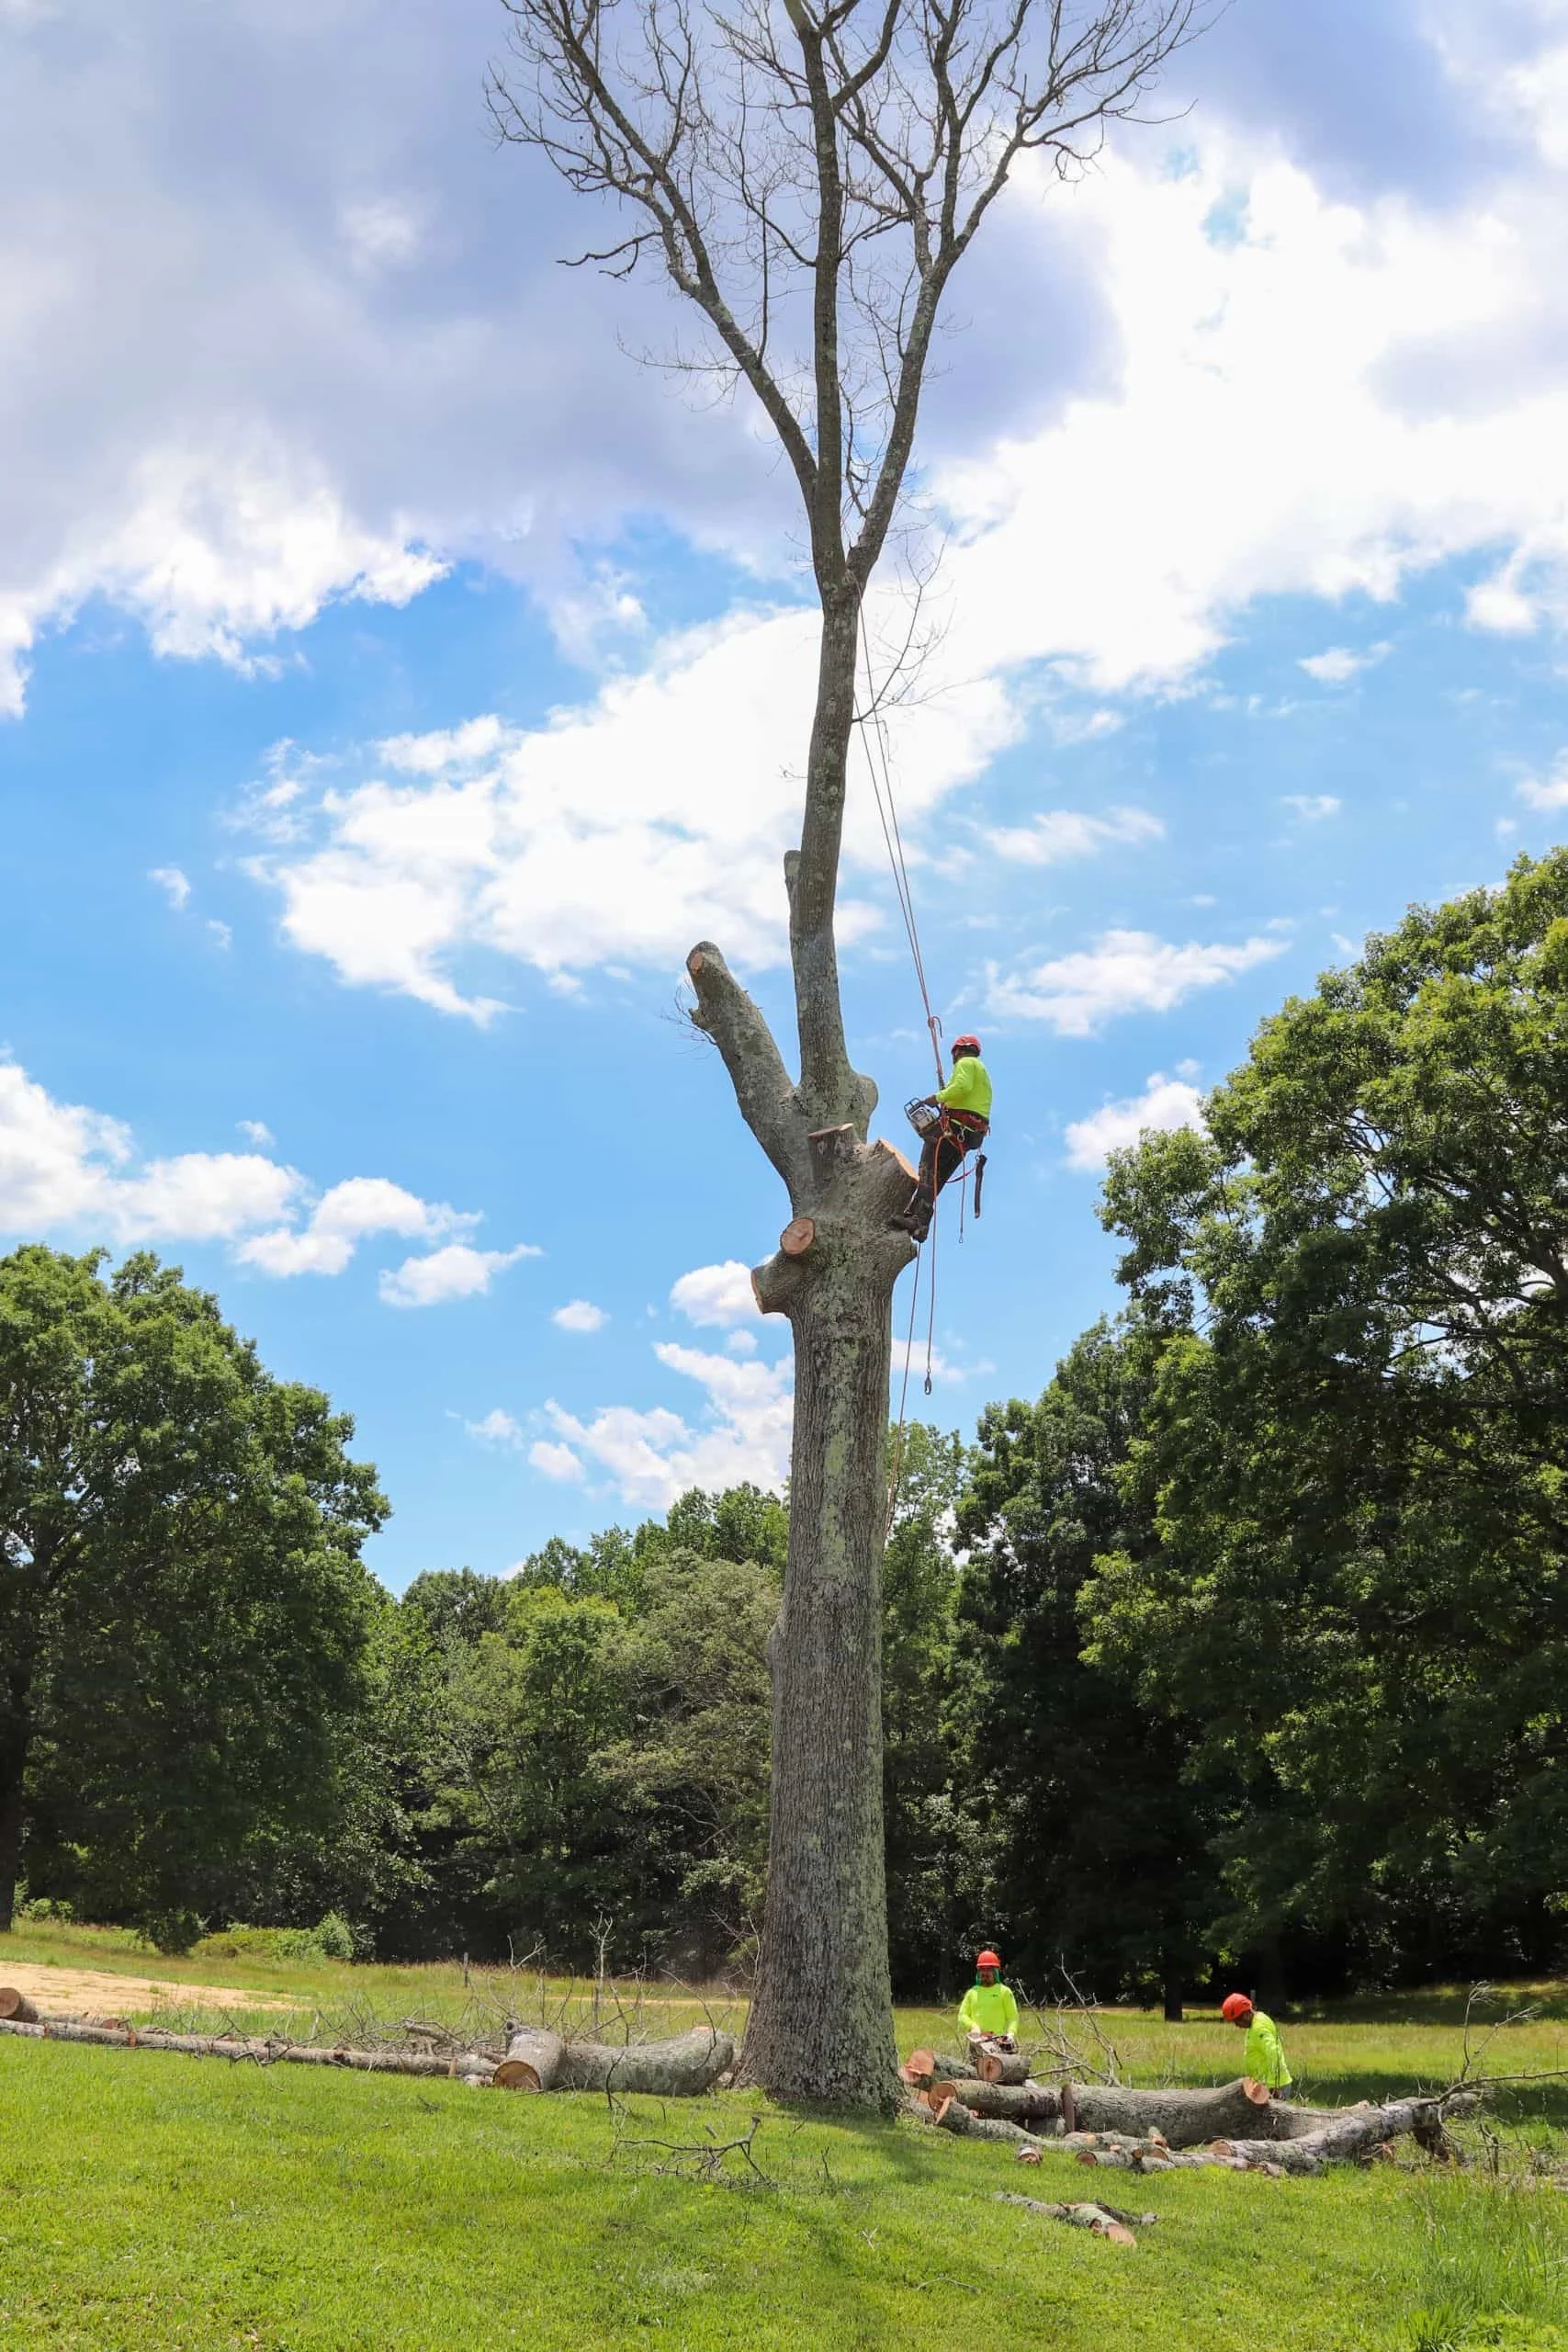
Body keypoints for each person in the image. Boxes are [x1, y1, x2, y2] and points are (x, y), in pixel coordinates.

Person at [894, 1035, 991, 1241]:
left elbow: (961, 1087)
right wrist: (946, 1097)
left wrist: (936, 1098)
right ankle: (918, 1223)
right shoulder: (980, 1070)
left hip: (958, 1128)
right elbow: (964, 1093)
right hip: (970, 1135)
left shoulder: (965, 1063)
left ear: (957, 1051)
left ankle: (917, 1218)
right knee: (939, 1177)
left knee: (928, 1169)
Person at [1221, 1991, 1295, 2098]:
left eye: (1237, 2021)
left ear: (1246, 2014)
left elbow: (1274, 2053)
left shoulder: (1259, 2028)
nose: (1236, 2025)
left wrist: (1274, 2086)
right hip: (1266, 2085)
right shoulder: (1255, 2023)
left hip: (1274, 2086)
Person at [957, 1948, 1019, 2052]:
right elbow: (962, 2016)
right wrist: (973, 2026)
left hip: (998, 2042)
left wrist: (1011, 2033)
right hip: (977, 2043)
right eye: (982, 1969)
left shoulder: (1004, 1992)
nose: (985, 1973)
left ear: (995, 1972)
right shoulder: (972, 1993)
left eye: (988, 1969)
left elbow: (1013, 2017)